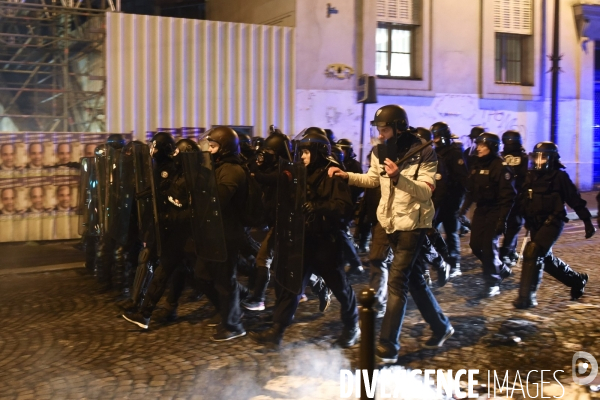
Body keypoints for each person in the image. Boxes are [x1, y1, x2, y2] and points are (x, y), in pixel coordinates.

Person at [328, 105, 453, 363]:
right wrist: (347, 176)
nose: (381, 135)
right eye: (379, 130)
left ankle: (388, 345)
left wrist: (399, 178)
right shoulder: (379, 151)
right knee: (416, 281)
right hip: (390, 224)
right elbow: (374, 180)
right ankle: (441, 327)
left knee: (397, 281)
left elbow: (425, 190)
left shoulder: (425, 153)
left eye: (384, 130)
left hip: (414, 225)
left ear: (398, 128)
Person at [249, 128, 360, 348]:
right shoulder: (300, 171)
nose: (303, 155)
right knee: (291, 287)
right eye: (302, 151)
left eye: (308, 151)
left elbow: (344, 207)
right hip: (303, 239)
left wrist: (318, 207)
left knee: (340, 288)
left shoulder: (333, 172)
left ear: (319, 151)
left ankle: (352, 326)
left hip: (327, 242)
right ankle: (277, 331)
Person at [122, 132, 197, 330]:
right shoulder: (170, 169)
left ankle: (235, 303)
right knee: (175, 270)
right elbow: (159, 191)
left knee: (205, 276)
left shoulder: (174, 171)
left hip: (178, 230)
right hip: (172, 228)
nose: (152, 150)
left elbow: (169, 196)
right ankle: (149, 311)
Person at [514, 142, 595, 308]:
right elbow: (522, 200)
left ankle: (526, 297)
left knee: (533, 251)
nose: (538, 160)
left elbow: (575, 199)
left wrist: (587, 221)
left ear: (551, 158)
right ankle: (576, 280)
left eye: (542, 157)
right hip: (535, 223)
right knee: (546, 260)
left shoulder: (560, 177)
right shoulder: (531, 176)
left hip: (553, 221)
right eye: (536, 156)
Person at [459, 132, 515, 297]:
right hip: (481, 210)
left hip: (495, 210)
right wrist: (463, 209)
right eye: (478, 145)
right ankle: (501, 268)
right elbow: (471, 190)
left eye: (483, 146)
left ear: (492, 147)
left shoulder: (501, 167)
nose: (479, 148)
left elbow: (508, 197)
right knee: (475, 245)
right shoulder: (477, 165)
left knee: (488, 247)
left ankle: (493, 283)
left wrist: (502, 219)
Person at [430, 122, 469, 278]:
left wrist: (458, 200)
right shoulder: (434, 153)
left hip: (451, 199)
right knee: (432, 230)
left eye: (438, 136)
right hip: (437, 198)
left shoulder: (454, 153)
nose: (436, 140)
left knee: (451, 231)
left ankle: (454, 264)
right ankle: (442, 259)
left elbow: (462, 178)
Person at [499, 130, 528, 266]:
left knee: (509, 224)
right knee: (514, 225)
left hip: (503, 195)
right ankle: (506, 252)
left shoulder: (500, 156)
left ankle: (509, 251)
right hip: (518, 195)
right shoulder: (524, 157)